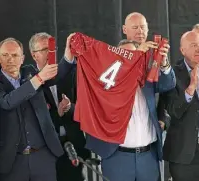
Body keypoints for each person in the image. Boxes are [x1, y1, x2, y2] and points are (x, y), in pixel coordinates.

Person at [76, 12, 175, 181]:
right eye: (135, 27)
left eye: (142, 27)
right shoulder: (107, 74)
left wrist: (164, 63)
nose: (140, 31)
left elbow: (167, 86)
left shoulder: (149, 68)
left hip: (148, 156)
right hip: (116, 155)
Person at [0, 37, 74, 181]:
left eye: (14, 55)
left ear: (22, 58)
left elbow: (54, 76)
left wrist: (68, 55)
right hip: (12, 161)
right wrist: (38, 79)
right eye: (5, 55)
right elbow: (7, 102)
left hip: (43, 156)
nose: (10, 59)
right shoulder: (33, 77)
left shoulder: (30, 71)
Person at [29, 32, 90, 181]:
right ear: (33, 55)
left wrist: (70, 108)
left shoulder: (71, 74)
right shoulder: (29, 80)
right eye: (44, 50)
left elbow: (85, 108)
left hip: (73, 148)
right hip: (46, 151)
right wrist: (58, 115)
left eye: (52, 49)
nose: (50, 54)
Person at [163, 31, 199, 181]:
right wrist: (191, 88)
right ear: (182, 50)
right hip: (184, 153)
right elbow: (174, 111)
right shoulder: (172, 74)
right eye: (194, 45)